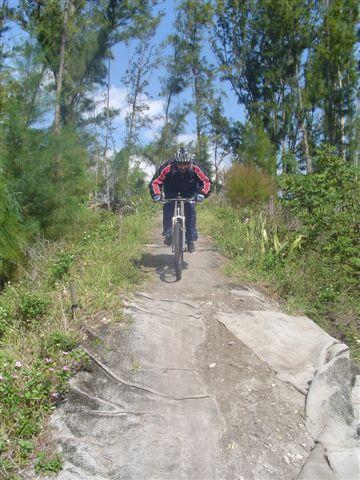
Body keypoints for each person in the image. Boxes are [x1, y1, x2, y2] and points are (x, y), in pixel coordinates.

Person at [149, 147, 211, 253]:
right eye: (180, 164)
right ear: (175, 162)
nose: (183, 167)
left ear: (189, 162)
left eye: (185, 164)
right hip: (171, 188)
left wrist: (202, 194)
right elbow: (155, 182)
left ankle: (190, 240)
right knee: (168, 205)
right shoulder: (167, 166)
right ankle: (168, 232)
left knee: (190, 209)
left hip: (189, 189)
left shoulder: (195, 167)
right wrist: (156, 194)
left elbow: (206, 181)